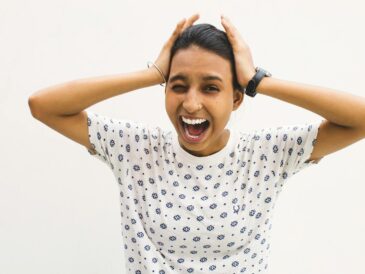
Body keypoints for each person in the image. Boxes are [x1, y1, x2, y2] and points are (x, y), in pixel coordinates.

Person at [28, 13, 365, 274]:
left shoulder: (266, 155)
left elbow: (359, 119)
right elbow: (43, 105)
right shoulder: (134, 149)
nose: (191, 104)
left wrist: (258, 80)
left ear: (236, 98)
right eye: (177, 86)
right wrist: (151, 73)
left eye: (210, 87)